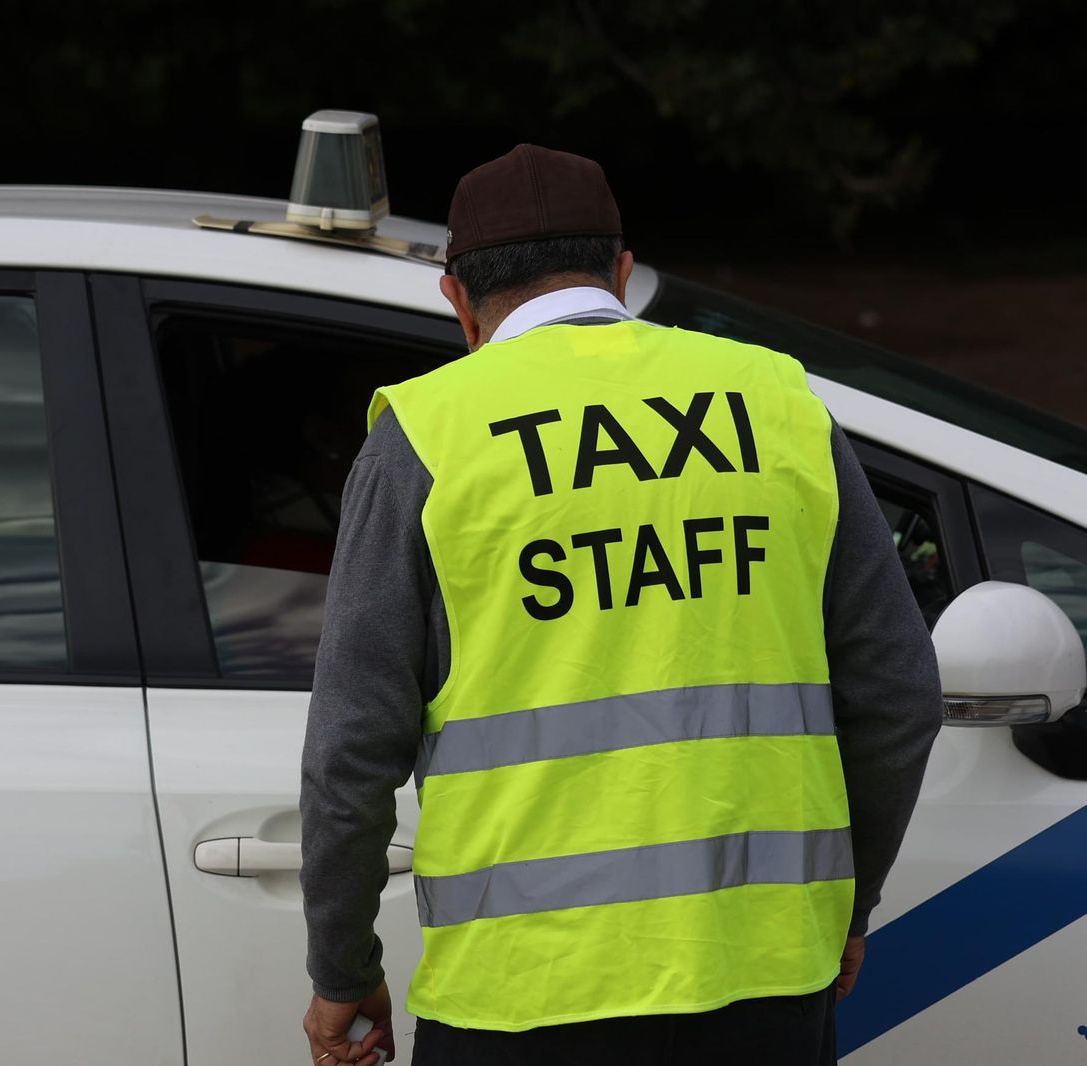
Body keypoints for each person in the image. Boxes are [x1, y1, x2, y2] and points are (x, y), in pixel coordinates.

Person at [299, 145, 943, 1066]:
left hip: (517, 1002)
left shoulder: (428, 435)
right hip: (759, 987)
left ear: (456, 299)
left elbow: (349, 757)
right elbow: (897, 698)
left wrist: (343, 969)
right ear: (624, 273)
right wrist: (846, 904)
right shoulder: (776, 404)